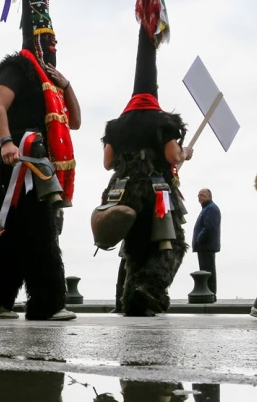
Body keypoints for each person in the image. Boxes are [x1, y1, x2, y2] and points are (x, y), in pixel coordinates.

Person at [0, 1, 80, 321]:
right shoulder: (16, 67)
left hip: (40, 161)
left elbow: (75, 122)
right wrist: (5, 142)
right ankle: (47, 303)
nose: (51, 45)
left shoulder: (52, 83)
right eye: (47, 40)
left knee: (20, 231)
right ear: (35, 38)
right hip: (19, 158)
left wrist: (66, 84)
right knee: (41, 229)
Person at [101, 2, 192, 317]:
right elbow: (171, 155)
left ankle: (132, 302)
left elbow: (108, 162)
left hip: (122, 191)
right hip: (156, 192)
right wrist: (184, 153)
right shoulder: (162, 120)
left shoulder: (116, 124)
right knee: (173, 244)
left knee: (136, 250)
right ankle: (149, 288)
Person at [193, 188, 220, 299]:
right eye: (198, 195)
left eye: (202, 195)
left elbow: (209, 227)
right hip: (204, 246)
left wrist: (199, 238)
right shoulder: (206, 208)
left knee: (208, 271)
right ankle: (208, 293)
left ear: (209, 196)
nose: (200, 197)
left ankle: (211, 294)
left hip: (206, 245)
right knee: (206, 270)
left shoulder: (211, 209)